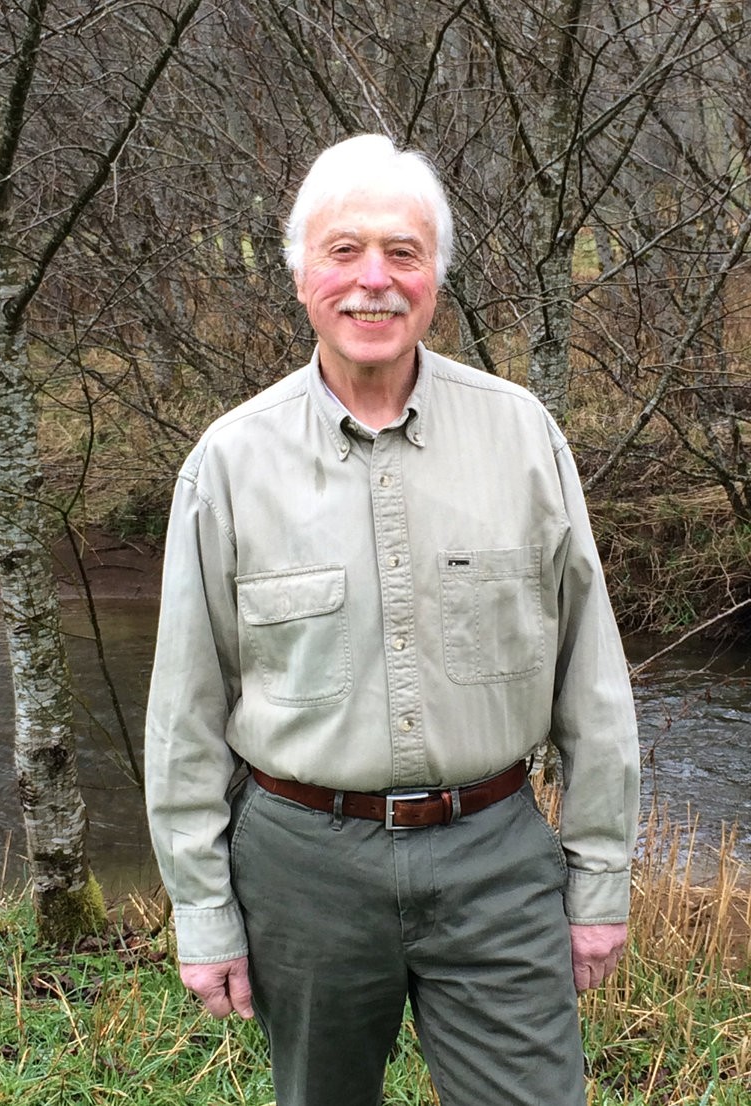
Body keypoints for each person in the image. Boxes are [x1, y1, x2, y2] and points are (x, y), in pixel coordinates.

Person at [143, 133, 639, 1106]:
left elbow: (592, 680)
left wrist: (599, 878)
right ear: (298, 275)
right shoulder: (229, 462)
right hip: (302, 868)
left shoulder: (522, 436)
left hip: (495, 854)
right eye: (343, 250)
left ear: (435, 277)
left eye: (402, 253)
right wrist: (202, 909)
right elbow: (185, 708)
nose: (373, 280)